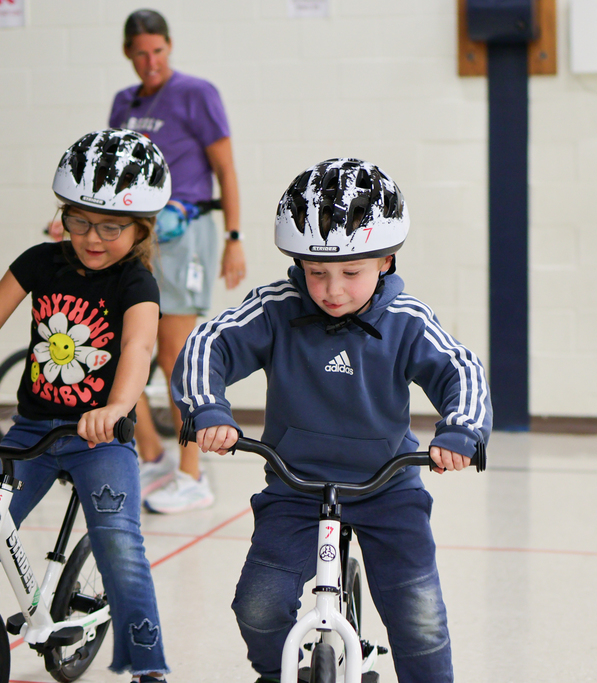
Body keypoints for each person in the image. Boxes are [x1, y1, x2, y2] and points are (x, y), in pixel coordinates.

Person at [171, 158, 493, 683]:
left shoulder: (405, 319)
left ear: (385, 261)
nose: (332, 290)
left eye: (351, 273)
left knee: (420, 619)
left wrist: (460, 430)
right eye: (316, 272)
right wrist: (208, 408)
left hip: (387, 487)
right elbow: (209, 345)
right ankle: (278, 672)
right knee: (257, 606)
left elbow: (461, 370)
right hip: (296, 484)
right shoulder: (277, 308)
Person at [0, 129, 171, 682]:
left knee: (120, 548)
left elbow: (137, 346)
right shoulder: (40, 262)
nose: (92, 237)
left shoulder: (137, 281)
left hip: (99, 437)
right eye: (79, 220)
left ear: (141, 230)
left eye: (111, 226)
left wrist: (119, 406)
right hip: (30, 430)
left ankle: (149, 669)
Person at [109, 8, 246, 514]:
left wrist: (234, 237)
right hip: (136, 235)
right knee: (124, 348)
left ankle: (193, 474)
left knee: (176, 354)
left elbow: (226, 169)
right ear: (128, 52)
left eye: (159, 51)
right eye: (141, 53)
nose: (151, 62)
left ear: (170, 48)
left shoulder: (196, 93)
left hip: (186, 233)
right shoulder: (124, 103)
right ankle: (152, 456)